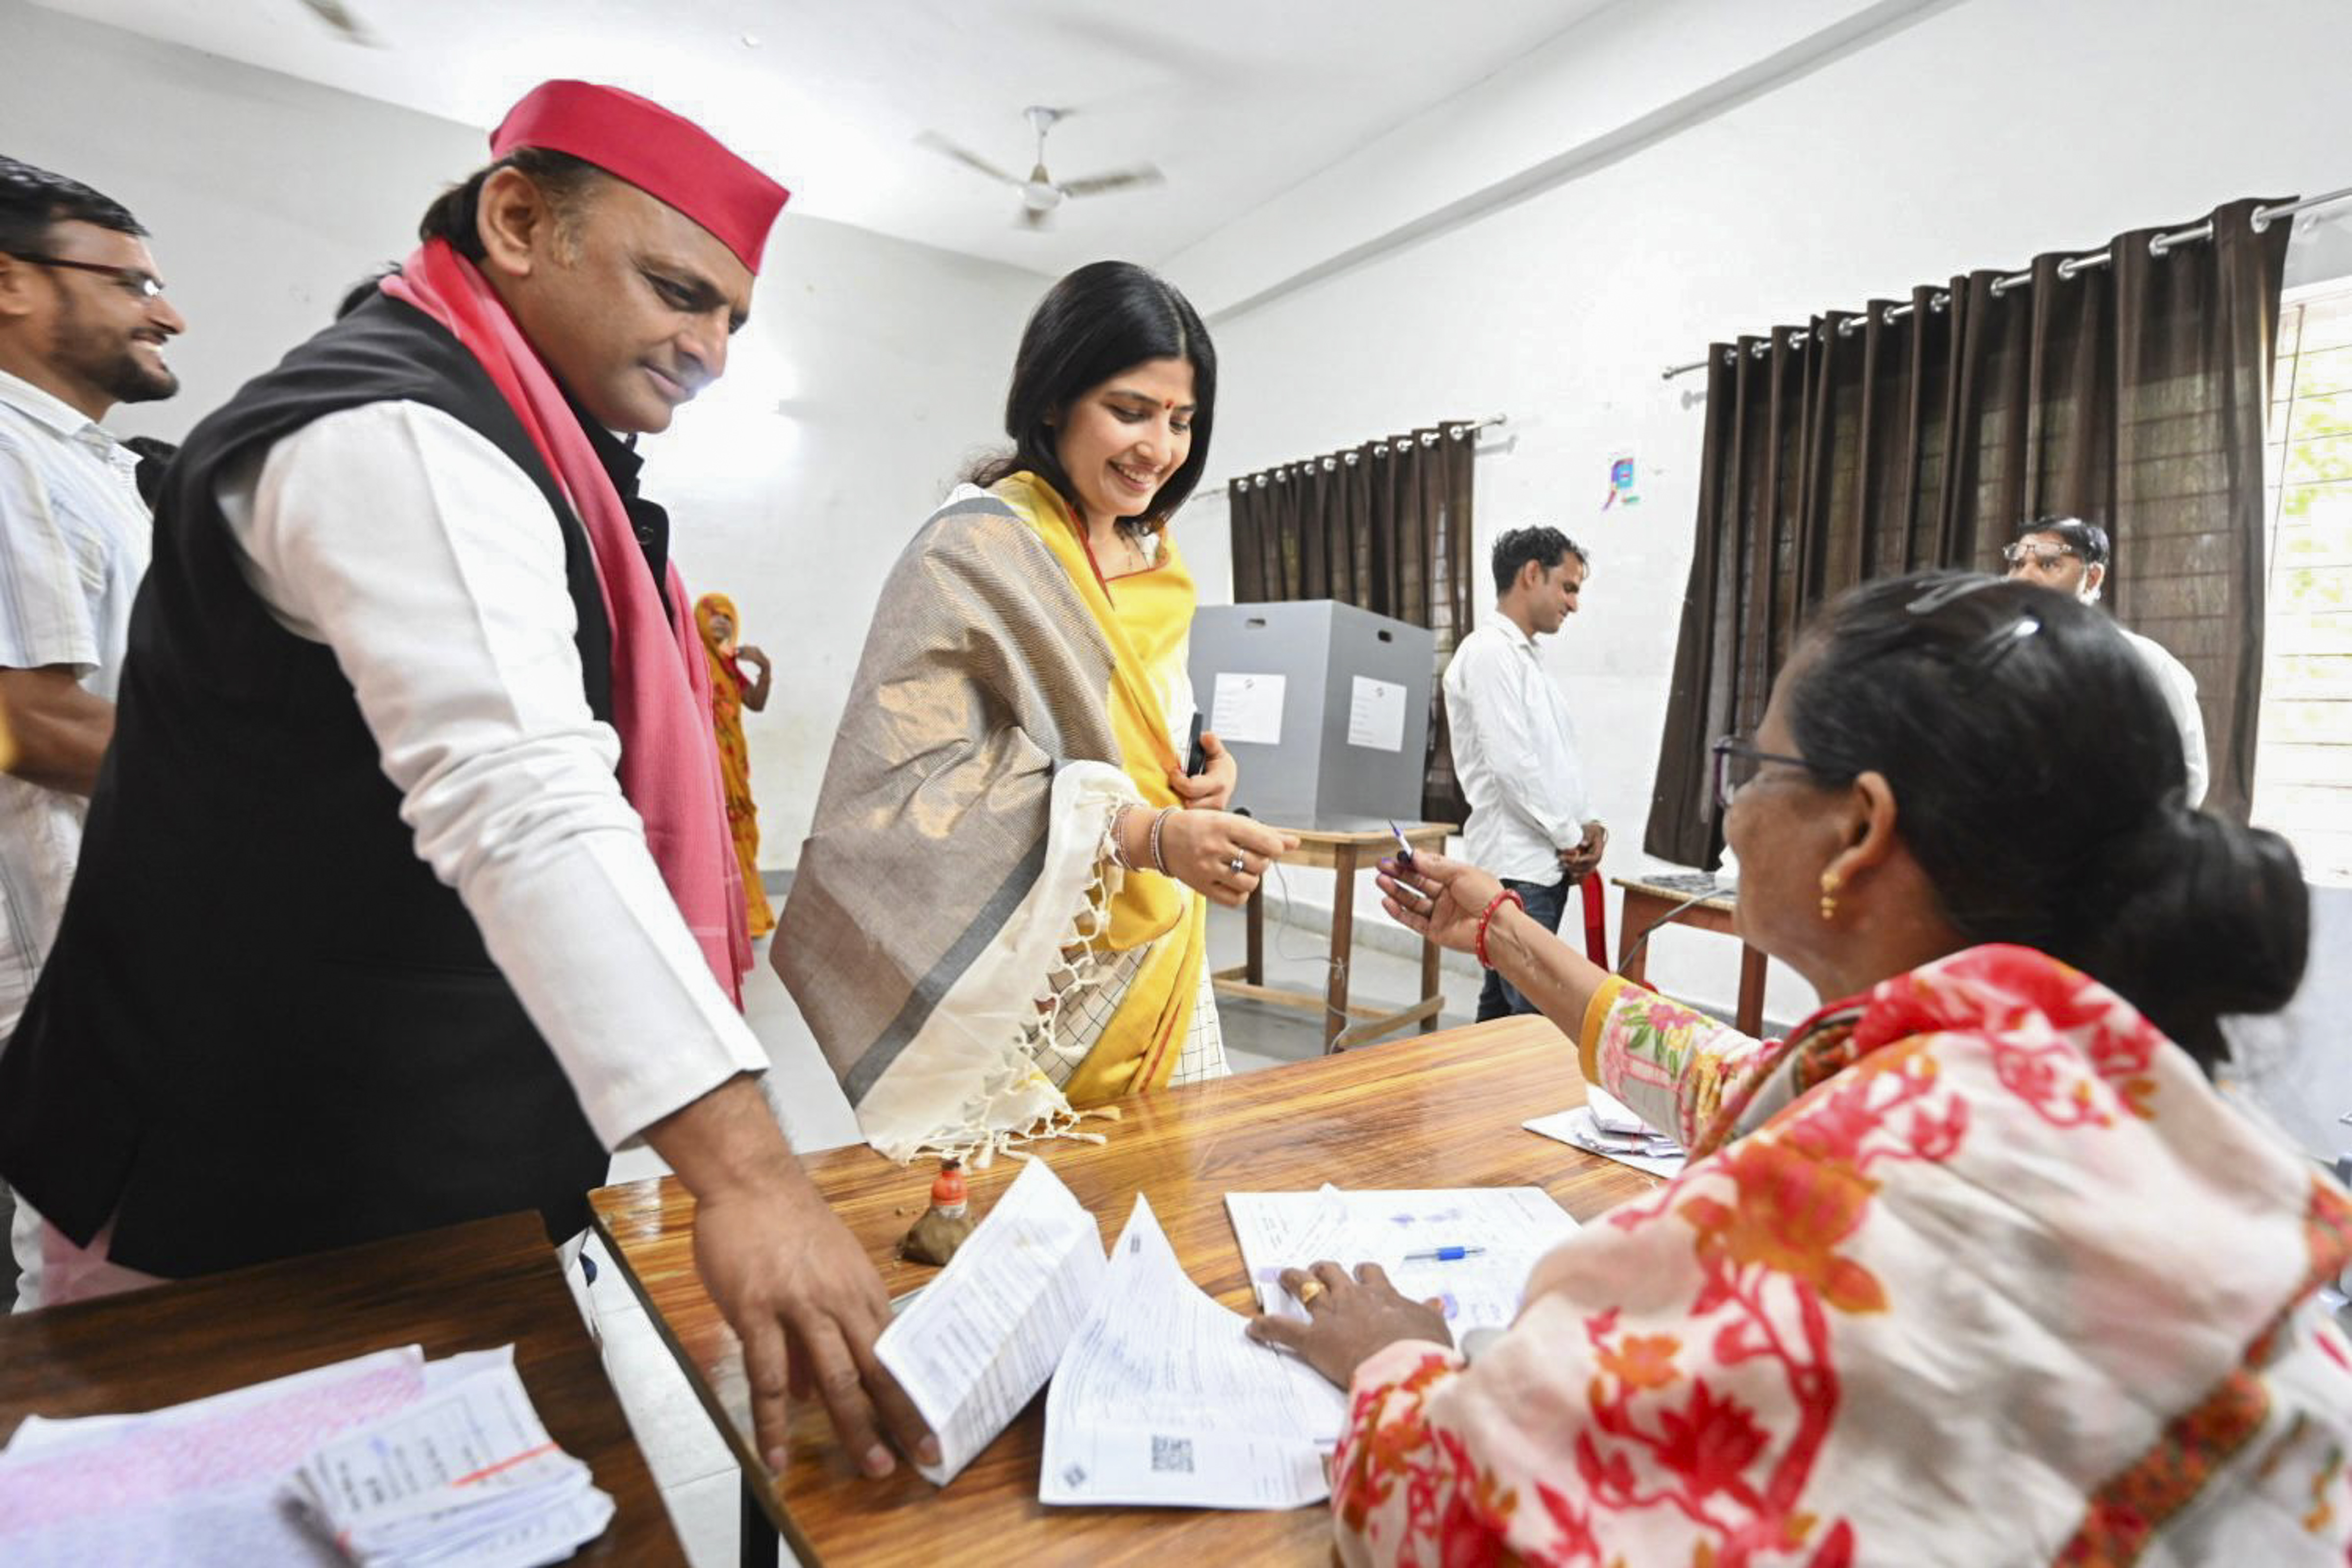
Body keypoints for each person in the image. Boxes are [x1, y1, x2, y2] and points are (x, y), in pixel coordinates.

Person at [0, 83, 938, 1481]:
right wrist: (747, 1173)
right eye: (680, 293)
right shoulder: (390, 431)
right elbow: (525, 796)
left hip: (423, 1155)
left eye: (736, 319)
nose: (712, 351)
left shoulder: (547, 451)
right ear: (518, 221)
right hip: (239, 1167)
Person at [1250, 571, 2346, 1563]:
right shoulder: (2078, 1078)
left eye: (1755, 765)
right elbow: (1739, 1081)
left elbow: (1465, 1515)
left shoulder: (1869, 1188)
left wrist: (1400, 1360)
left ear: (1861, 828)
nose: (1734, 805)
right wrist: (1500, 926)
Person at [779, 261, 1293, 1161]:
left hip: (1165, 935)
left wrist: (1203, 778)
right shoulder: (976, 551)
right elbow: (912, 784)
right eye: (1130, 411)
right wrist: (1142, 835)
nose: (1159, 449)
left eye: (1181, 421)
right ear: (1054, 400)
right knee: (1032, 1215)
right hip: (1044, 956)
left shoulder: (1159, 558)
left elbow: (1147, 720)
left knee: (1169, 1193)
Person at [0, 158, 186, 1311]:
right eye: (130, 281)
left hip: (125, 935)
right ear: (11, 286)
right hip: (63, 951)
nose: (167, 311)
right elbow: (23, 718)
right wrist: (294, 795)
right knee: (106, 1315)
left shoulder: (82, 467)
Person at [1441, 525, 1603, 1021]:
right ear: (1532, 574)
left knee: (1503, 1013)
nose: (1574, 604)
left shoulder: (1527, 660)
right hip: (1519, 869)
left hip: (1542, 863)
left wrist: (1590, 824)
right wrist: (1570, 836)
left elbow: (1553, 761)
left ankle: (1484, 1101)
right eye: (1569, 587)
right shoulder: (1490, 653)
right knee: (1530, 1023)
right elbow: (1512, 767)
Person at [2006, 514, 2208, 806]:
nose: (2025, 577)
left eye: (2048, 564)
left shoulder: (2144, 661)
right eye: (2017, 564)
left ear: (2092, 577)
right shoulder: (2003, 658)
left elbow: (2187, 774)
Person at [694, 591, 776, 938]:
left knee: (739, 832)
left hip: (735, 765)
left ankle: (748, 914)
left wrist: (765, 669)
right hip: (708, 762)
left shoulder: (729, 665)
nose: (721, 621)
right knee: (714, 831)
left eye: (727, 616)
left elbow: (755, 703)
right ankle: (716, 913)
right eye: (713, 614)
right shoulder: (693, 660)